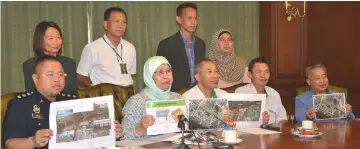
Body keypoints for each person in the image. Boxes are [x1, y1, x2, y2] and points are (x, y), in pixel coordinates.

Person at [2, 55, 124, 149]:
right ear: (35, 79)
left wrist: (110, 133)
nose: (57, 79)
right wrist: (33, 141)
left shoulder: (72, 101)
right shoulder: (20, 104)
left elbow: (87, 139)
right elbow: (9, 144)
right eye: (50, 75)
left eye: (61, 74)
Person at [121, 56, 182, 140]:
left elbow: (190, 132)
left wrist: (183, 123)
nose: (165, 76)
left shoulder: (178, 98)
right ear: (149, 76)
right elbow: (124, 138)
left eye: (168, 71)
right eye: (160, 72)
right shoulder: (136, 102)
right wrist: (142, 128)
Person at [77, 7, 136, 88]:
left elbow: (130, 74)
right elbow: (81, 76)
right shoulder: (92, 48)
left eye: (124, 22)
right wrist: (96, 89)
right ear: (106, 24)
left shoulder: (130, 47)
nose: (121, 25)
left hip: (127, 94)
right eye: (117, 21)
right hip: (105, 96)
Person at [156, 2, 205, 92]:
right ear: (179, 19)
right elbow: (160, 75)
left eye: (195, 18)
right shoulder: (166, 45)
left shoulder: (200, 44)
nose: (193, 22)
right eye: (189, 18)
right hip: (175, 94)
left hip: (197, 93)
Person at [23, 21, 77, 94]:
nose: (55, 42)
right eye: (50, 38)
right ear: (40, 40)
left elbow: (73, 91)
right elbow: (31, 93)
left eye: (58, 37)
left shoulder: (69, 63)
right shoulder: (30, 64)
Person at [235, 57, 287, 127]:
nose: (263, 76)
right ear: (250, 74)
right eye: (259, 72)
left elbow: (282, 118)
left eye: (266, 72)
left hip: (271, 134)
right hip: (248, 135)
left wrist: (277, 126)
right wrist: (261, 122)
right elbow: (237, 122)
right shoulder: (241, 93)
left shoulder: (274, 93)